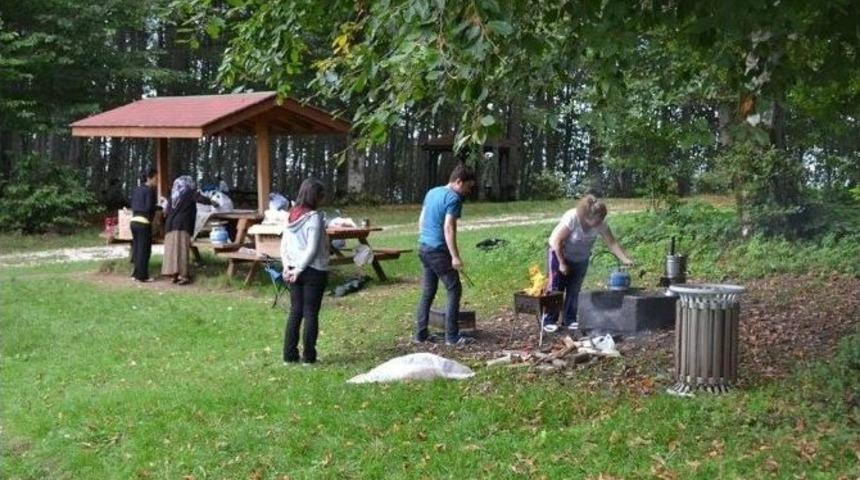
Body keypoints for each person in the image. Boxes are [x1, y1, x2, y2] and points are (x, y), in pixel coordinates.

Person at [542, 194, 634, 332]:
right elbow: (557, 242)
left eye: (601, 219)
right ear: (586, 216)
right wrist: (562, 263)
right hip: (559, 253)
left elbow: (612, 243)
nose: (599, 223)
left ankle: (569, 319)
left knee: (574, 290)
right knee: (556, 288)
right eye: (597, 220)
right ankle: (549, 320)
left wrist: (624, 259)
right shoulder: (572, 218)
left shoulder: (600, 224)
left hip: (581, 258)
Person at [413, 163, 477, 347]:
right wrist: (455, 256)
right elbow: (449, 227)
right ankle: (452, 337)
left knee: (428, 292)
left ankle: (421, 335)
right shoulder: (453, 198)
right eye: (468, 187)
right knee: (454, 289)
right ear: (458, 182)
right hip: (438, 251)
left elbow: (421, 219)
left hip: (424, 248)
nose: (468, 191)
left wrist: (424, 238)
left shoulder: (432, 192)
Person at [280, 178, 330, 365]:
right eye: (321, 195)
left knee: (295, 312)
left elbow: (284, 245)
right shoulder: (314, 218)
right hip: (312, 270)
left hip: (294, 269)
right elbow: (312, 248)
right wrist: (299, 269)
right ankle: (309, 357)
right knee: (310, 313)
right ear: (315, 196)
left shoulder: (290, 214)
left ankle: (289, 356)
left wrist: (287, 266)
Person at [162, 175, 212, 285]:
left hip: (170, 226)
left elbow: (166, 211)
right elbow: (201, 199)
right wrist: (213, 202)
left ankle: (173, 275)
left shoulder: (173, 195)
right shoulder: (188, 192)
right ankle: (183, 276)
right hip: (182, 224)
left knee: (172, 251)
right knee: (181, 250)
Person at [130, 169, 158, 282]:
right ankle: (143, 276)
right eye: (156, 179)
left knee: (137, 249)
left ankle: (135, 273)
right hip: (143, 222)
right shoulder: (149, 191)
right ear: (149, 178)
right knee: (144, 250)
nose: (157, 181)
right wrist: (159, 208)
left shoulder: (137, 190)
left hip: (133, 221)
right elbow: (149, 208)